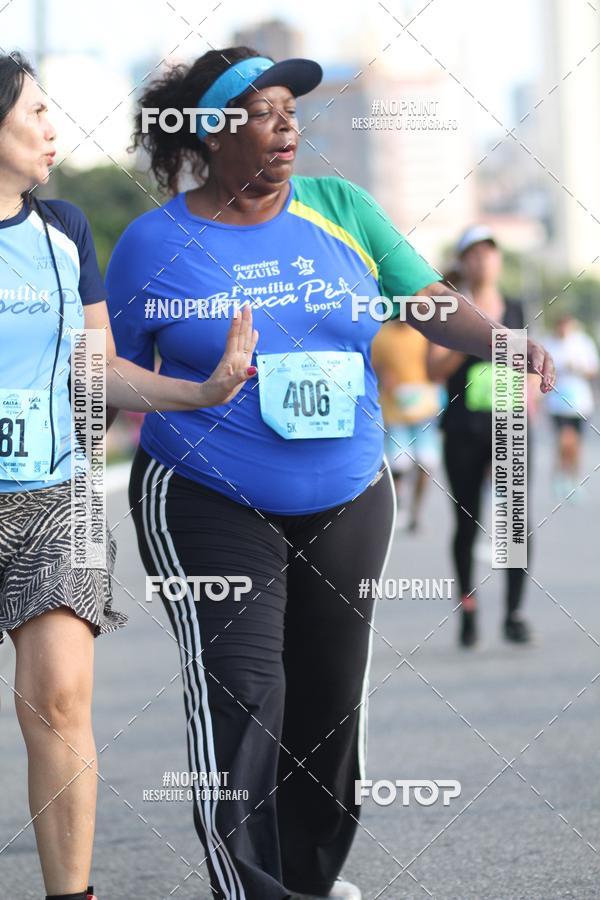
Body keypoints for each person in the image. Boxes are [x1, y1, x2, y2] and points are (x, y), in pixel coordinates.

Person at [106, 49, 555, 900]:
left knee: (328, 703)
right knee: (245, 692)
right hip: (208, 494)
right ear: (212, 132)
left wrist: (500, 340)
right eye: (264, 112)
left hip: (349, 488)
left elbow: (423, 298)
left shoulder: (342, 207)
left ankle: (309, 879)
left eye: (291, 111)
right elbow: (111, 372)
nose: (287, 127)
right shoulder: (155, 244)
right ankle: (252, 888)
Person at [0, 51, 259, 900]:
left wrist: (201, 390)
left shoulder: (63, 230)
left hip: (55, 494)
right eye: (36, 112)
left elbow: (95, 369)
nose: (52, 128)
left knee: (59, 700)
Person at [428, 226, 538, 648]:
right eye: (473, 253)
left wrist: (530, 401)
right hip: (463, 428)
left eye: (489, 252)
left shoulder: (515, 305)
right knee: (467, 520)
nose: (482, 260)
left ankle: (513, 613)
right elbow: (432, 370)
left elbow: (524, 360)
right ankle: (468, 608)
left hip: (509, 424)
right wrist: (469, 332)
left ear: (498, 260)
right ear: (463, 262)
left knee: (514, 523)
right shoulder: (447, 308)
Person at [371, 320, 444, 531]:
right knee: (398, 466)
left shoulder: (426, 333)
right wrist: (384, 377)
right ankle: (398, 502)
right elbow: (374, 365)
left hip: (425, 410)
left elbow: (436, 366)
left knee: (426, 463)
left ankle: (416, 511)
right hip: (395, 410)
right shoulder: (381, 335)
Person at [543, 314, 599, 498]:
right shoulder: (549, 343)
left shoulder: (583, 343)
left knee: (575, 444)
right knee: (564, 439)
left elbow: (593, 370)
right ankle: (559, 475)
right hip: (557, 403)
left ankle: (573, 478)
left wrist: (578, 368)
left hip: (580, 402)